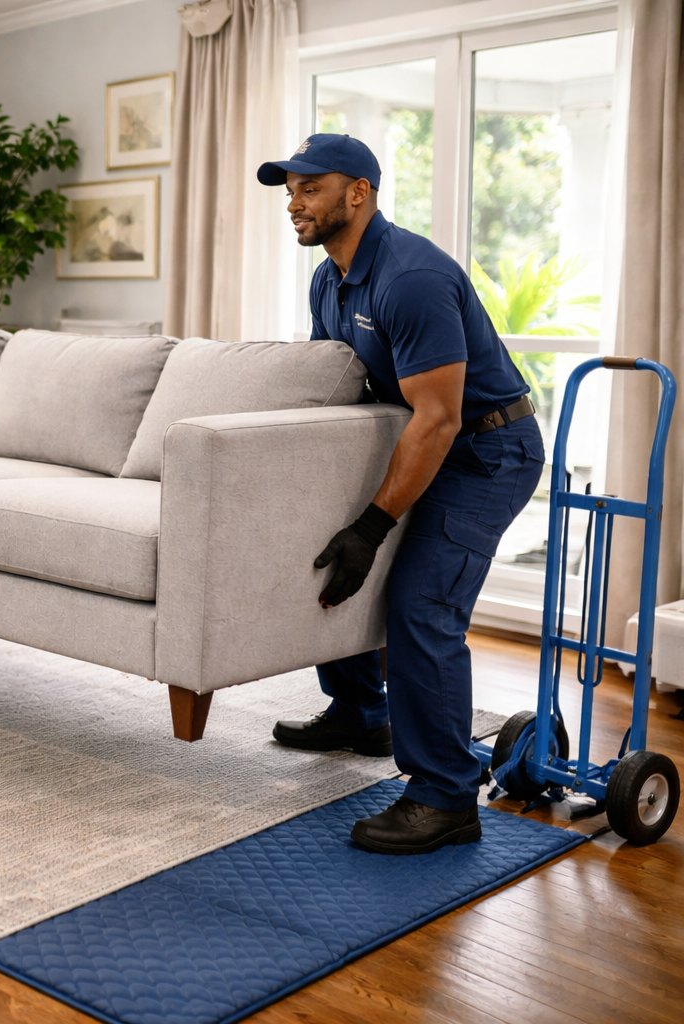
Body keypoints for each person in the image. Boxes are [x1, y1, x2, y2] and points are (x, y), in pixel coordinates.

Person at [256, 134, 544, 855]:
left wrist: (375, 523)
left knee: (423, 604)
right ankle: (359, 712)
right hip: (421, 440)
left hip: (486, 451)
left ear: (360, 192)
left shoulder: (410, 276)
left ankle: (446, 796)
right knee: (336, 554)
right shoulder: (330, 279)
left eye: (310, 188)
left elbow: (442, 416)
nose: (294, 203)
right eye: (289, 189)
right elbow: (343, 388)